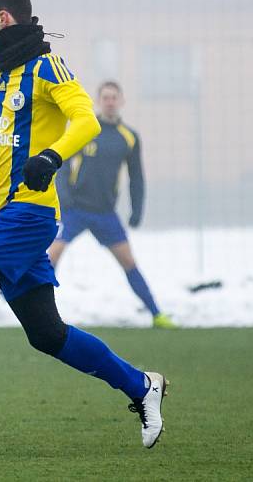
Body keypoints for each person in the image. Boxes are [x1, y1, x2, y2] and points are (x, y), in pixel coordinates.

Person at [0, 0, 168, 448]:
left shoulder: (48, 67)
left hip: (29, 214)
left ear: (3, 19)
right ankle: (141, 385)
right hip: (2, 216)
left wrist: (51, 156)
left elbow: (85, 119)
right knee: (47, 335)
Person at [50, 81, 175, 329]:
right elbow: (62, 164)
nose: (110, 101)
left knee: (129, 262)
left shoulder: (128, 137)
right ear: (98, 100)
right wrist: (64, 197)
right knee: (50, 259)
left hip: (105, 213)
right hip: (74, 210)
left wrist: (137, 210)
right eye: (105, 97)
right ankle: (41, 317)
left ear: (121, 101)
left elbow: (136, 177)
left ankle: (157, 314)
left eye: (114, 97)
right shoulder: (86, 129)